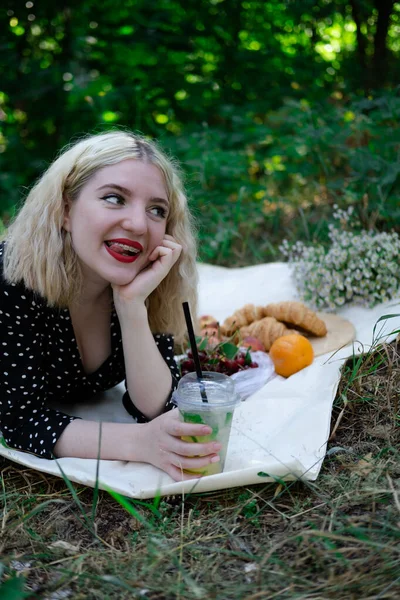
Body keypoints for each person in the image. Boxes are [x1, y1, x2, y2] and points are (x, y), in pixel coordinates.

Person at [0, 130, 222, 481]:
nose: (137, 224)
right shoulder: (12, 280)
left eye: (156, 210)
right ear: (65, 211)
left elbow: (157, 407)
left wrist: (131, 305)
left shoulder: (146, 282)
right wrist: (139, 443)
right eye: (115, 198)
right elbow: (17, 421)